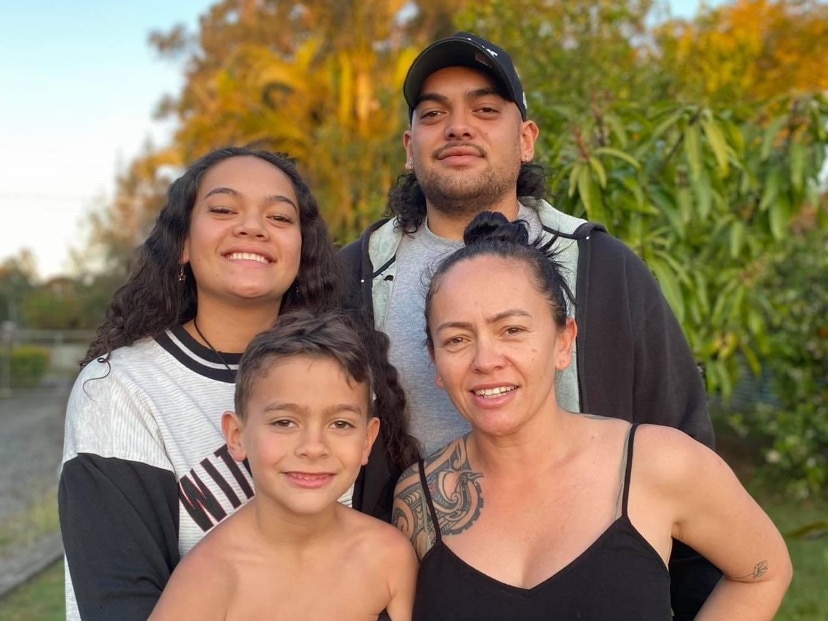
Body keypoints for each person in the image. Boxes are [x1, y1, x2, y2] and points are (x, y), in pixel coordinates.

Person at [338, 32, 720, 616]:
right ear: (410, 147)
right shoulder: (352, 278)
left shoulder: (603, 271)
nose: (459, 126)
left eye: (485, 109)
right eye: (435, 114)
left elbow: (687, 450)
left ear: (526, 139)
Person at [58, 146, 418, 621]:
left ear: (302, 252)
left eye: (280, 217)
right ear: (182, 243)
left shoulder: (346, 376)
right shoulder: (119, 389)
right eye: (224, 209)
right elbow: (117, 600)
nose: (252, 226)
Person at [392, 212, 792, 621]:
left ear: (564, 342)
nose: (486, 360)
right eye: (457, 339)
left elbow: (763, 571)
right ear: (436, 362)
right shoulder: (419, 499)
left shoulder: (658, 464)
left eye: (512, 330)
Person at [148, 310, 418, 621]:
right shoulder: (209, 579)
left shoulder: (389, 556)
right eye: (285, 422)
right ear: (237, 436)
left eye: (340, 424)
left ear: (367, 441)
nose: (313, 447)